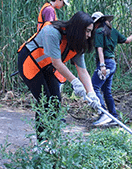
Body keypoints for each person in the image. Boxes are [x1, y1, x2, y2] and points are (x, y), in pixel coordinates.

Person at [17, 11, 100, 141]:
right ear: (78, 29)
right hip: (30, 63)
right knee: (44, 102)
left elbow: (83, 71)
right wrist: (75, 82)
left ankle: (51, 139)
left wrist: (91, 93)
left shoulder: (76, 42)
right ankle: (42, 143)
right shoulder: (52, 32)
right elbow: (57, 62)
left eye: (90, 32)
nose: (89, 36)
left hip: (48, 68)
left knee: (55, 101)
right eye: (87, 31)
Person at [91, 11, 132, 126]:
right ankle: (114, 117)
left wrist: (102, 65)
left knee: (94, 87)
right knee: (106, 91)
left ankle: (103, 114)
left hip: (105, 63)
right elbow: (127, 40)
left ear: (97, 23)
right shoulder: (113, 32)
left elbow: (100, 49)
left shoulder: (99, 31)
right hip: (112, 63)